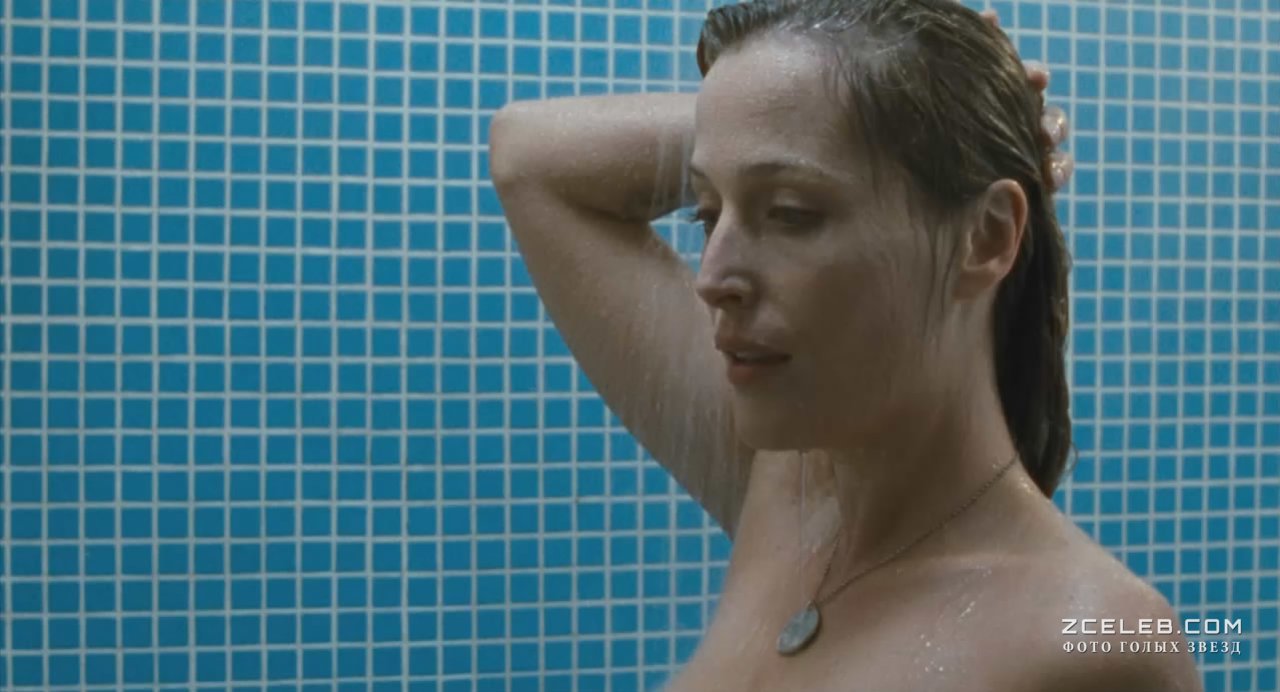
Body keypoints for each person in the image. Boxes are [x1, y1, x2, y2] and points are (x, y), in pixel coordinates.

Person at [489, 0, 1204, 689]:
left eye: (790, 213)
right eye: (709, 213)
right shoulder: (789, 489)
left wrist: (897, 109)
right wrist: (878, 101)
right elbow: (527, 155)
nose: (713, 279)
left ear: (985, 237)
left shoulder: (1107, 640)